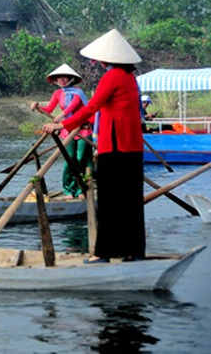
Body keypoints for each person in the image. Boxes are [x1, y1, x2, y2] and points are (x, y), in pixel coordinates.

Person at [42, 29, 145, 263]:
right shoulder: (129, 77)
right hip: (132, 147)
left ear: (104, 59)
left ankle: (106, 253)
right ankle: (133, 251)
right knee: (130, 201)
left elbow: (92, 107)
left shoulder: (112, 77)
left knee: (109, 203)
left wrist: (62, 125)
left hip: (116, 147)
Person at [30, 63, 92, 199]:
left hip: (83, 131)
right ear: (56, 80)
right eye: (59, 78)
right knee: (69, 159)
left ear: (71, 78)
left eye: (65, 78)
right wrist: (38, 106)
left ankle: (82, 189)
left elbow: (72, 107)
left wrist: (61, 116)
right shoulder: (58, 93)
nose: (62, 80)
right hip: (67, 131)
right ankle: (69, 190)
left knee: (81, 158)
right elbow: (49, 109)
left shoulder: (78, 92)